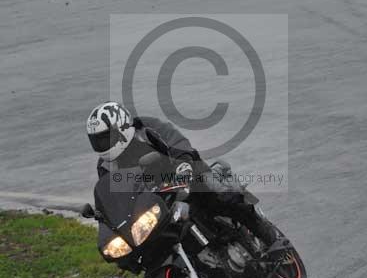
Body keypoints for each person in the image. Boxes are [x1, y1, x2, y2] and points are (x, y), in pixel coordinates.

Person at [86, 101, 276, 248]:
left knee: (221, 196)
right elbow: (114, 194)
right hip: (157, 199)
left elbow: (177, 141)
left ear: (121, 129)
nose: (101, 145)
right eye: (97, 140)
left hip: (186, 172)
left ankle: (266, 235)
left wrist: (183, 161)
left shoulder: (146, 128)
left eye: (105, 138)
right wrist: (104, 214)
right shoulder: (105, 166)